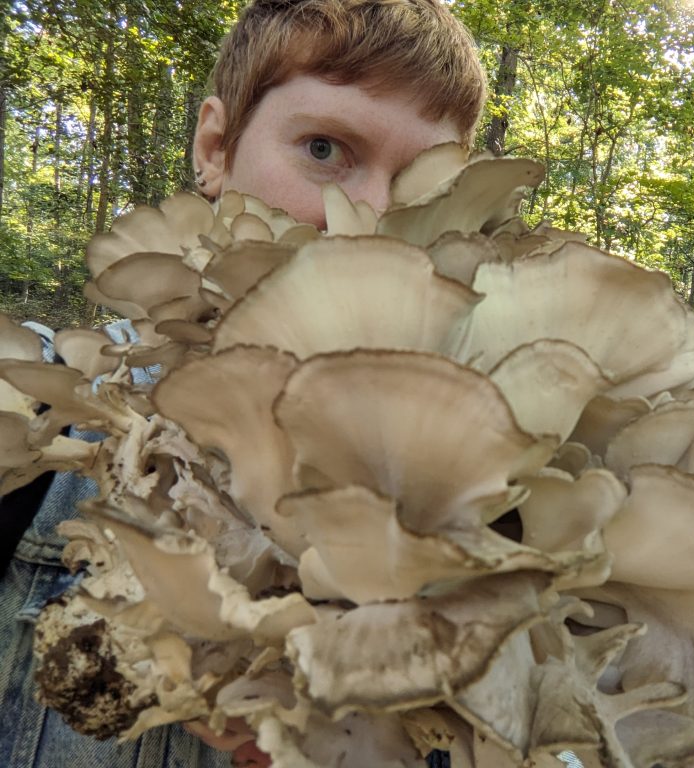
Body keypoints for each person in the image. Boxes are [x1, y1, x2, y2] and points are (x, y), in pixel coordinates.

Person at [0, 1, 486, 766]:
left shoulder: (483, 474)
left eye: (426, 186)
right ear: (216, 146)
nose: (374, 213)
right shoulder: (50, 412)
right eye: (325, 148)